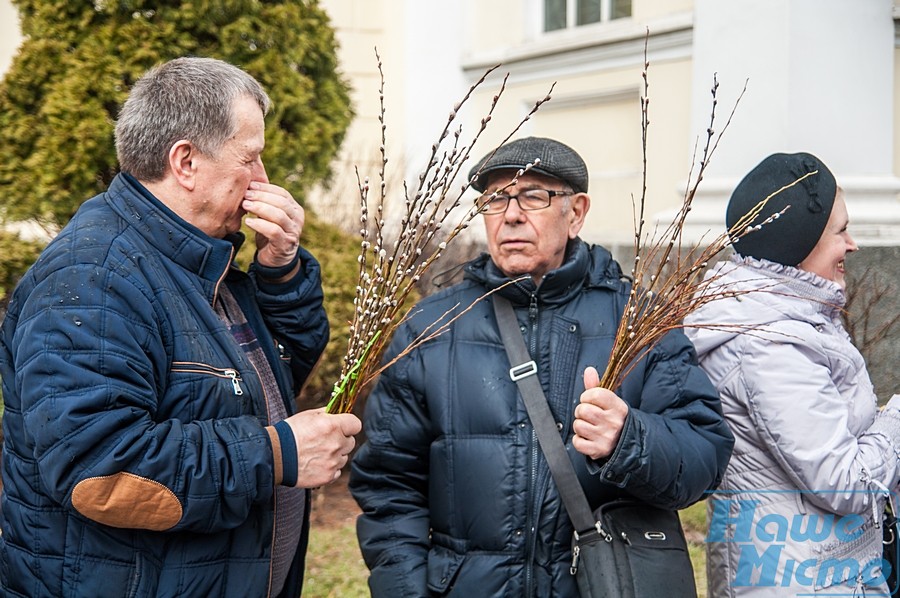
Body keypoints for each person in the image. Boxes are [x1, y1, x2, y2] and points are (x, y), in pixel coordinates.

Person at [0, 57, 361, 598]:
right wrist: (276, 454)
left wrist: (281, 270)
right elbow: (100, 472)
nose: (263, 180)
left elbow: (271, 382)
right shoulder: (95, 276)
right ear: (186, 161)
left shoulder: (200, 266)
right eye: (251, 158)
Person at [348, 136, 735, 597]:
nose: (511, 214)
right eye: (495, 199)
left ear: (576, 213)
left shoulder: (638, 323)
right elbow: (388, 485)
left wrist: (628, 439)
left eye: (533, 196)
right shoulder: (431, 328)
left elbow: (705, 457)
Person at [684, 152, 900, 596]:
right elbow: (846, 483)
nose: (852, 244)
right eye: (840, 231)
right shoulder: (769, 344)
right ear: (800, 242)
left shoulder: (781, 319)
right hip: (803, 581)